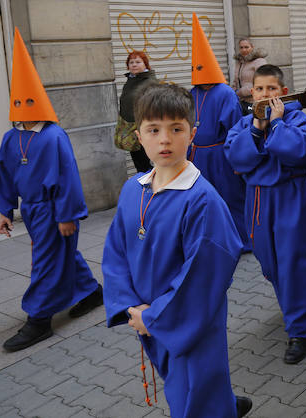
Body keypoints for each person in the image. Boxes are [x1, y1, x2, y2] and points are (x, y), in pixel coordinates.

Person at [102, 83, 251, 418]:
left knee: (194, 398)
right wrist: (130, 307)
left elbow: (203, 276)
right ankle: (224, 403)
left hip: (188, 321)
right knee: (179, 384)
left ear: (192, 133)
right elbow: (116, 253)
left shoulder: (202, 200)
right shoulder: (132, 190)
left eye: (176, 129)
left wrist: (153, 317)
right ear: (138, 137)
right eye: (153, 130)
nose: (165, 140)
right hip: (148, 318)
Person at [0, 28, 104, 353]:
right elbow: (3, 172)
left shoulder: (54, 137)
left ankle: (39, 319)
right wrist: (5, 209)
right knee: (61, 254)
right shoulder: (11, 137)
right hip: (33, 209)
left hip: (56, 209)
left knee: (45, 261)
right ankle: (91, 292)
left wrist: (67, 215)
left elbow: (68, 178)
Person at [224, 64, 306, 364]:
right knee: (271, 262)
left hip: (292, 198)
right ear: (251, 92)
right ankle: (304, 309)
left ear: (283, 93)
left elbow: (298, 151)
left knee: (296, 261)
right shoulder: (246, 123)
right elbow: (235, 156)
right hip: (259, 202)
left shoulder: (295, 118)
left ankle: (301, 329)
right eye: (259, 89)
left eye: (271, 89)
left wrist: (277, 123)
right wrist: (258, 129)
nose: (264, 94)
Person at [188, 14, 249, 252]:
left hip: (221, 154)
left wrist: (236, 157)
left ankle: (243, 240)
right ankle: (214, 239)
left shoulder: (224, 93)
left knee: (231, 196)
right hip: (199, 155)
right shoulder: (192, 93)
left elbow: (234, 126)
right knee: (205, 200)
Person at [117, 50, 157, 172]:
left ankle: (155, 186)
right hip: (130, 129)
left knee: (148, 162)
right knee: (139, 163)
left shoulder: (150, 82)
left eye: (138, 62)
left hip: (145, 128)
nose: (134, 65)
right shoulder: (130, 81)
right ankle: (144, 186)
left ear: (145, 64)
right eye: (131, 62)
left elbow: (156, 106)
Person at [233, 37, 268, 116]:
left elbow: (263, 82)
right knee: (244, 125)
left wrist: (241, 92)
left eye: (246, 47)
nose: (244, 50)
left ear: (252, 47)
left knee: (254, 122)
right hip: (241, 101)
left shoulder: (259, 61)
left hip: (254, 102)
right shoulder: (240, 62)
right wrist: (233, 92)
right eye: (241, 47)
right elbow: (235, 81)